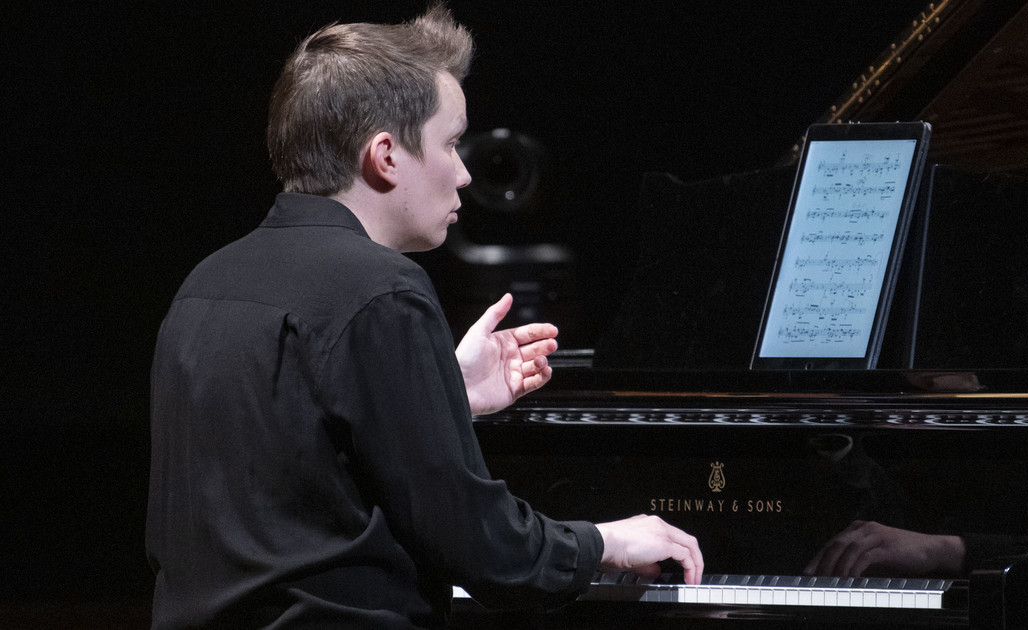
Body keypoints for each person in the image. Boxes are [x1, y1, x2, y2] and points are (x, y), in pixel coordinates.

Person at [145, 4, 702, 628]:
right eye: (452, 143)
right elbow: (487, 553)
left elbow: (292, 480)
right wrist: (604, 543)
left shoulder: (205, 283)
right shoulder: (382, 289)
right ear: (385, 155)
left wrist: (443, 393)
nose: (463, 174)